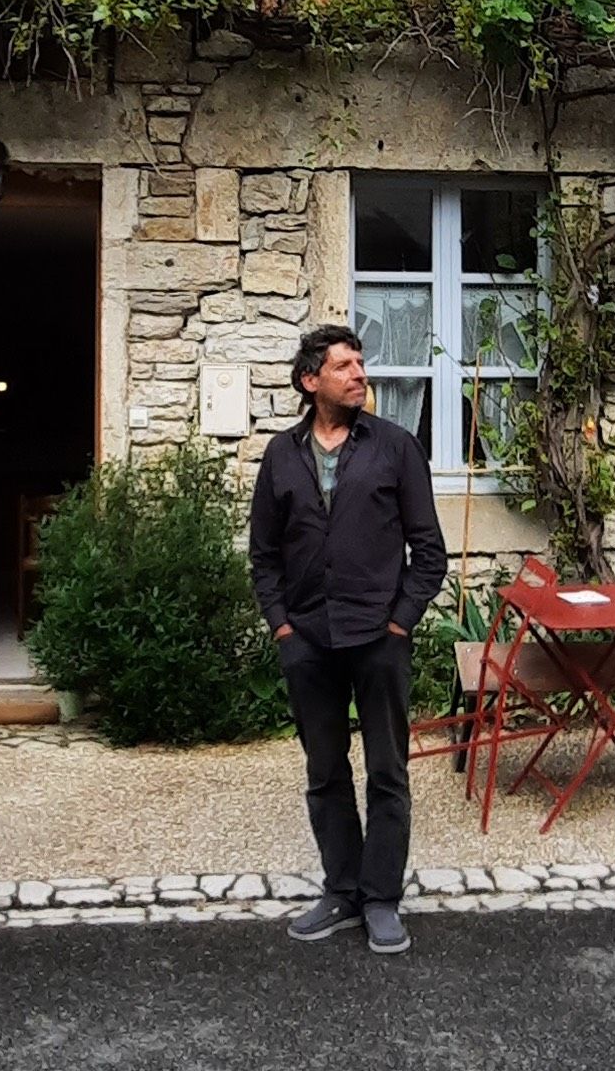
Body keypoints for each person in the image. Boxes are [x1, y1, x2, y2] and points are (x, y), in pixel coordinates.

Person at [250, 323, 447, 957]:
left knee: (388, 770)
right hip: (308, 639)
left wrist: (399, 622)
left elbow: (430, 551)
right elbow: (263, 556)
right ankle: (341, 890)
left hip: (378, 638)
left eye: (361, 363)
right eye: (344, 366)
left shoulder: (394, 447)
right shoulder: (282, 455)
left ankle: (381, 898)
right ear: (312, 381)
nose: (360, 374)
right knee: (324, 771)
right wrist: (283, 626)